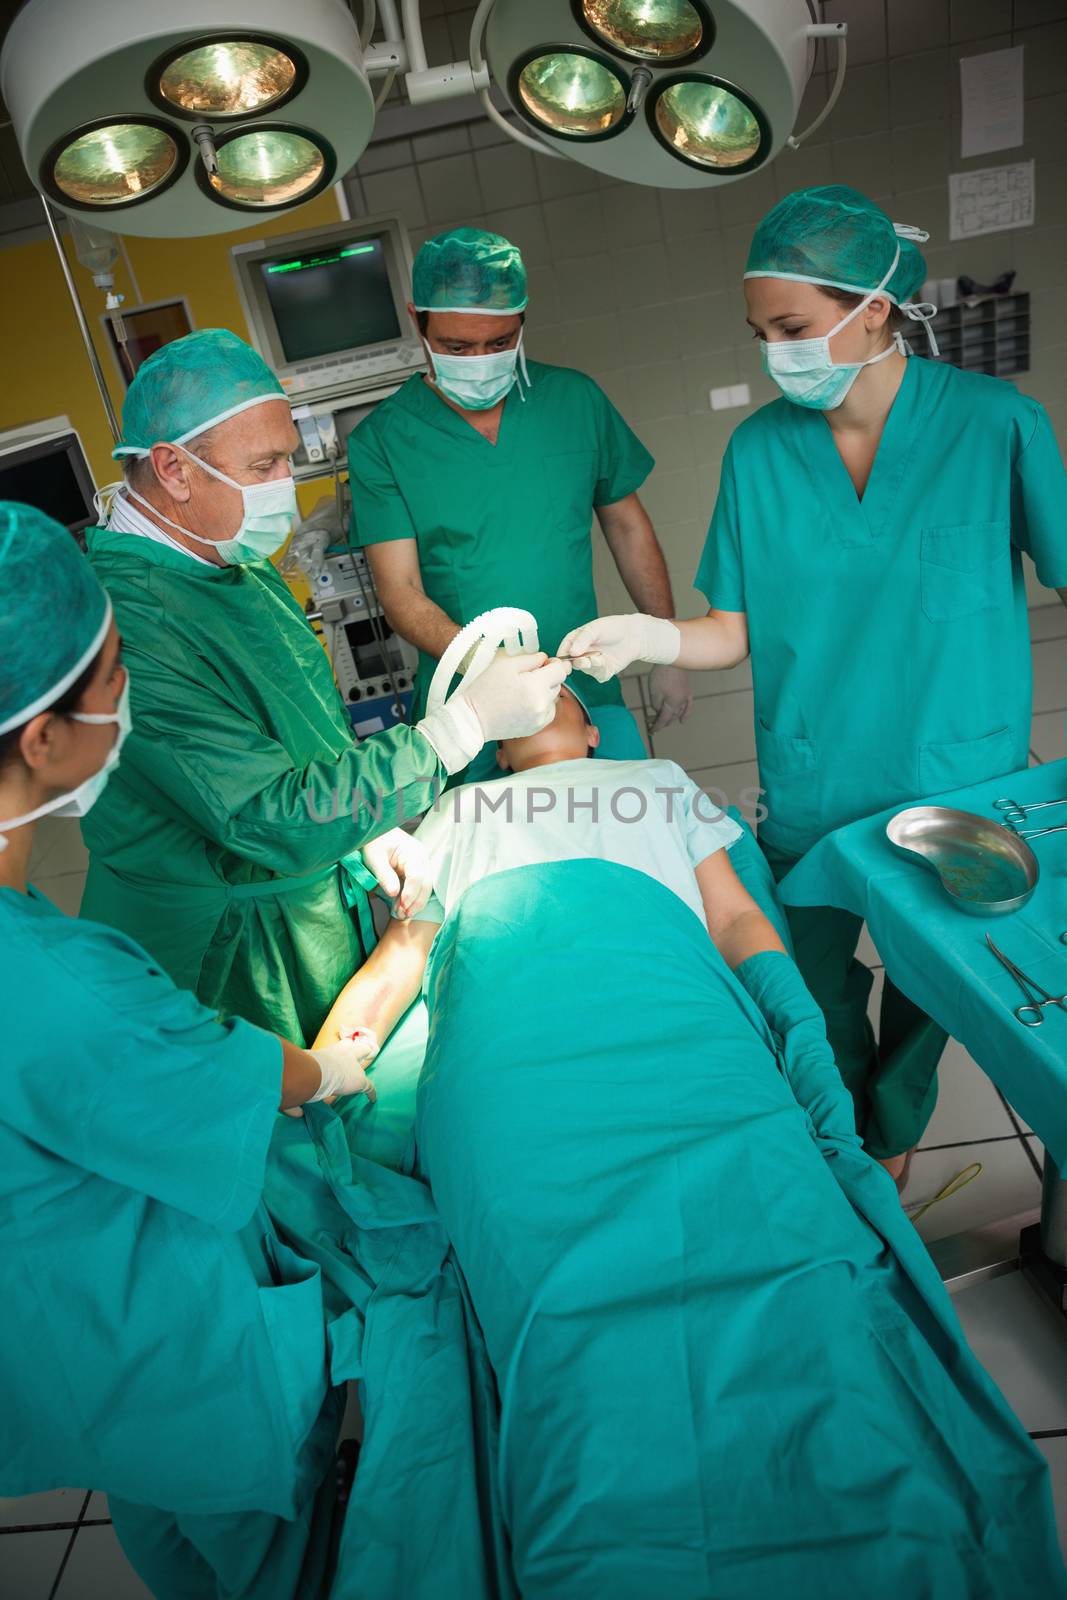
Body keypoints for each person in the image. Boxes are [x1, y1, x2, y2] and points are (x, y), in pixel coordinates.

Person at [307, 678, 1067, 1600]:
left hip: (676, 1015)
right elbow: (404, 954)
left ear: (593, 726)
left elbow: (736, 916)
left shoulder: (659, 778)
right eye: (514, 697)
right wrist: (329, 1066)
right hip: (513, 1049)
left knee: (782, 1262)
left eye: (555, 685)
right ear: (493, 745)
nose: (535, 689)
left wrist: (790, 1017)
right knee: (563, 1310)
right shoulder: (455, 813)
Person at [0, 503, 516, 1600]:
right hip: (160, 1361)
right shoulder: (64, 987)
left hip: (60, 1346)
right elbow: (266, 1077)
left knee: (164, 1520)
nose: (133, 699)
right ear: (42, 738)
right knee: (261, 1536)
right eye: (115, 675)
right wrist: (364, 1016)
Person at [558, 184, 1067, 1180]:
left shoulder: (993, 423)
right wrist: (652, 636)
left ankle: (894, 1132)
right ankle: (845, 1124)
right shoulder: (758, 451)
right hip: (814, 778)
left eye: (789, 327)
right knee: (811, 981)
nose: (771, 353)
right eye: (758, 333)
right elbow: (729, 632)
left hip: (956, 778)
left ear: (871, 307)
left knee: (940, 986)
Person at [79, 328, 569, 1045]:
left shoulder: (232, 570)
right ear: (173, 470)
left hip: (298, 904)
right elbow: (260, 812)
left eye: (289, 456)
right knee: (262, 1130)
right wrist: (455, 731)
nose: (287, 480)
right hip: (221, 953)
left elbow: (306, 736)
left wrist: (369, 833)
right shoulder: (128, 627)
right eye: (265, 463)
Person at [346, 226, 693, 778]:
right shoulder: (383, 442)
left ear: (523, 321)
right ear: (417, 320)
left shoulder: (573, 401)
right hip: (467, 704)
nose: (480, 360)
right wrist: (487, 666)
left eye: (500, 343)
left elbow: (628, 529)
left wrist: (666, 646)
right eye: (458, 347)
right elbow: (400, 590)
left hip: (581, 687)